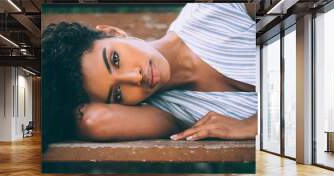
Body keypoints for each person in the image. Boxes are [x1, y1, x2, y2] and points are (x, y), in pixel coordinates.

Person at [41, 3, 257, 145]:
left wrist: (254, 124)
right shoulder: (172, 113)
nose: (135, 78)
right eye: (117, 94)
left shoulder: (213, 10)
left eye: (115, 60)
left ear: (113, 33)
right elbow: (92, 121)